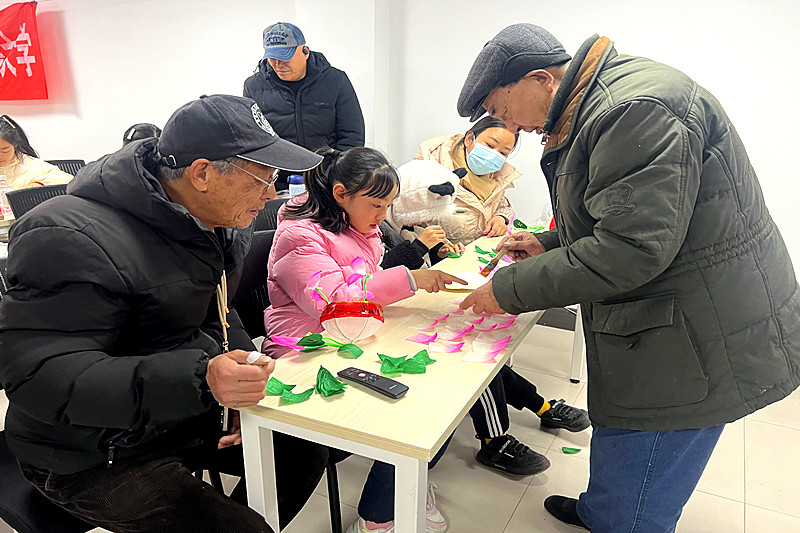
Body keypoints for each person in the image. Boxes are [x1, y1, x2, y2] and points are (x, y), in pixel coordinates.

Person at [457, 23, 800, 533]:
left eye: (503, 109)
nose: (510, 126)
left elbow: (631, 247)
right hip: (669, 307)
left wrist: (507, 289)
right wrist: (547, 244)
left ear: (539, 79)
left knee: (652, 439)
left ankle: (623, 520)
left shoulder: (633, 110)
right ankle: (604, 510)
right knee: (624, 431)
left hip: (697, 329)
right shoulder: (598, 104)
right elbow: (623, 216)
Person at [0, 95, 329, 533]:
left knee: (304, 447)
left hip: (175, 415)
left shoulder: (218, 222)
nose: (271, 195)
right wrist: (201, 379)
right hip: (90, 450)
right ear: (202, 173)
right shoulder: (67, 236)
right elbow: (39, 375)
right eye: (261, 179)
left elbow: (217, 311)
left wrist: (237, 375)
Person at [261, 147, 469, 533]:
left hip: (355, 333)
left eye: (388, 205)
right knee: (417, 411)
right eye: (376, 205)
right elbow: (333, 299)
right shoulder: (299, 234)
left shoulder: (358, 223)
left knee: (446, 397)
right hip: (307, 347)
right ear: (340, 194)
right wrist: (409, 277)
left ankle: (400, 488)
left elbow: (364, 283)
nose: (382, 216)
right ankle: (378, 515)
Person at [383, 159, 589, 479]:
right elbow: (383, 274)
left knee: (487, 361)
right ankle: (495, 441)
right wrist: (419, 250)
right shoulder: (378, 228)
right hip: (386, 324)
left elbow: (418, 260)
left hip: (410, 308)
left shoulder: (397, 225)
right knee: (477, 366)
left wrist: (437, 251)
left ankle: (543, 408)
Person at [243, 21, 365, 192]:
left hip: (327, 180)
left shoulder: (335, 81)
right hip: (276, 184)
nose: (278, 65)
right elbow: (254, 139)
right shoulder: (254, 86)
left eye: (285, 57)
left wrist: (335, 175)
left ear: (305, 51)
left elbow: (352, 135)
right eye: (272, 58)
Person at [413, 117, 520, 244]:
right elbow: (408, 219)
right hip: (437, 259)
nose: (494, 155)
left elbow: (502, 205)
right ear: (469, 139)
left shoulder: (496, 175)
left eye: (503, 153)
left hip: (473, 257)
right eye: (490, 145)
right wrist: (437, 249)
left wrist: (501, 218)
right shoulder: (429, 168)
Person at [0, 114, 72, 189]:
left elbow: (69, 181)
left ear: (15, 145)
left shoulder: (31, 165)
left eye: (5, 150)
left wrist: (40, 185)